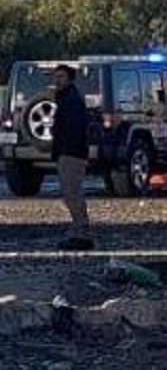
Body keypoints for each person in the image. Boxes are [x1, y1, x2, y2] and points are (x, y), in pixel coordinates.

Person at [51, 64, 93, 251]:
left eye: (61, 76)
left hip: (71, 153)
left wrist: (68, 150)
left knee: (73, 194)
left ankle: (81, 235)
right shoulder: (65, 98)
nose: (57, 80)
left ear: (69, 78)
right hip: (67, 152)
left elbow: (75, 129)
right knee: (70, 194)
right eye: (56, 76)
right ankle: (79, 232)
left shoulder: (72, 99)